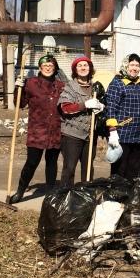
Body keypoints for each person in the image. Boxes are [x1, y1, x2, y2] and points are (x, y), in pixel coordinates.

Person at [10, 55, 65, 204]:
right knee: (32, 162)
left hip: (55, 130)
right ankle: (20, 191)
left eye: (51, 65)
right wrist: (18, 88)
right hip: (37, 131)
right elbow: (20, 104)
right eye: (45, 65)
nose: (48, 67)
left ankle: (50, 193)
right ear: (40, 68)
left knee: (51, 162)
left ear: (55, 68)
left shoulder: (61, 85)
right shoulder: (31, 83)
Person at [58, 55, 104, 186]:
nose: (83, 68)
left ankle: (85, 197)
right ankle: (65, 197)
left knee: (88, 169)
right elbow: (65, 108)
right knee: (69, 168)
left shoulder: (96, 88)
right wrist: (85, 105)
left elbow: (104, 105)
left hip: (90, 135)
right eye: (80, 65)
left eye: (86, 65)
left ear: (90, 68)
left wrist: (101, 107)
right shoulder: (70, 87)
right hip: (72, 134)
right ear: (75, 70)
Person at [105, 53, 140, 180]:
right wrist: (112, 132)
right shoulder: (117, 83)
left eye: (137, 65)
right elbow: (111, 108)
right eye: (132, 65)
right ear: (126, 65)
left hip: (138, 135)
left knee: (133, 170)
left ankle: (129, 196)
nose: (134, 68)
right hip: (122, 135)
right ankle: (116, 195)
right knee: (120, 169)